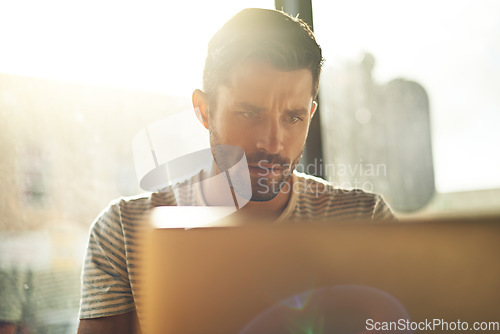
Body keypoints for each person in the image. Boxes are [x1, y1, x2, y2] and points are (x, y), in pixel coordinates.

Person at [77, 8, 396, 334]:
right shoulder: (124, 233)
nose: (273, 143)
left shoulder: (365, 220)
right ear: (204, 110)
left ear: (311, 115)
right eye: (249, 113)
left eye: (293, 117)